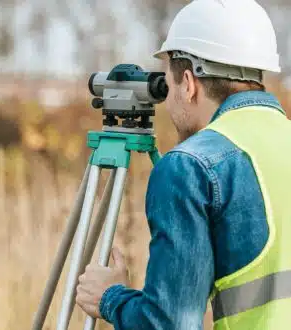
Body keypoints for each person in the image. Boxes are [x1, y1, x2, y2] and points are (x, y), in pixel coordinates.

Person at [76, 1, 291, 329]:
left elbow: (170, 323)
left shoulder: (190, 167)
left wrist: (109, 297)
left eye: (169, 82)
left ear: (188, 83)